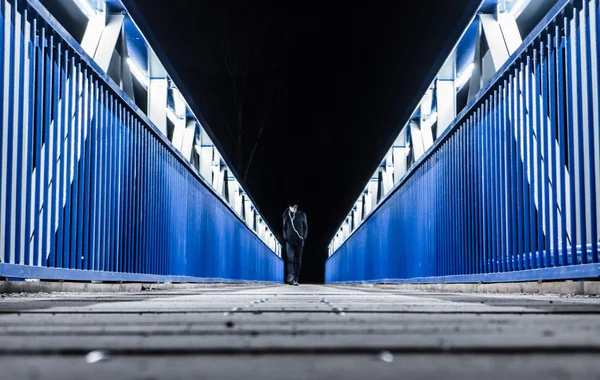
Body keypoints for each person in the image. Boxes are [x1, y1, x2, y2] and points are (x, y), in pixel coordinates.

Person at [282, 200, 307, 286]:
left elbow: (305, 227)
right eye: (293, 207)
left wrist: (303, 237)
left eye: (296, 207)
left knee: (298, 261)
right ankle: (291, 278)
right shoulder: (287, 215)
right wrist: (285, 237)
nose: (295, 209)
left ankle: (296, 278)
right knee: (290, 259)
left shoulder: (302, 215)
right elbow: (284, 227)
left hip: (299, 241)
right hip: (289, 241)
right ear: (290, 207)